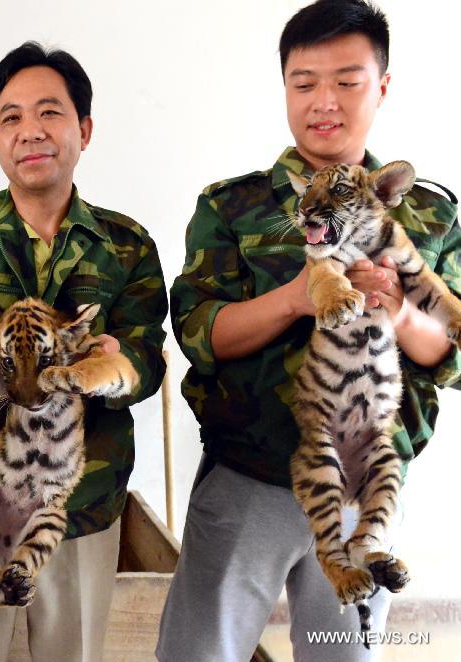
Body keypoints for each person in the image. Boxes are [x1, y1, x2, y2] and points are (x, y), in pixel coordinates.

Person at [157, 1, 460, 660]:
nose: (325, 100)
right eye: (304, 82)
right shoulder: (232, 205)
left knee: (341, 653)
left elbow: (451, 356)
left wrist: (402, 310)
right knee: (199, 652)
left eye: (347, 80)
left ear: (382, 85)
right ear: (285, 87)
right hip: (247, 478)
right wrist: (296, 297)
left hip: (365, 486)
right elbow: (200, 333)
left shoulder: (430, 212)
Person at [0, 41, 168, 662]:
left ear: (84, 129)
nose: (30, 131)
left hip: (77, 503)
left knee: (67, 651)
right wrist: (4, 361)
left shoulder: (126, 245)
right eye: (11, 117)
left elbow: (146, 357)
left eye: (49, 113)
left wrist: (112, 368)